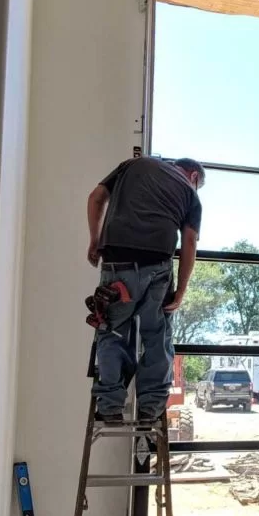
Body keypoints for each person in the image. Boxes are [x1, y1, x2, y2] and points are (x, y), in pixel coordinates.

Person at [85, 155, 204, 423]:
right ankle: (150, 408)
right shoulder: (190, 194)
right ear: (194, 176)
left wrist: (94, 240)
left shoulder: (132, 165)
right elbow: (189, 242)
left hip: (118, 262)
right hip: (157, 268)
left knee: (112, 332)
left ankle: (110, 406)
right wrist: (181, 291)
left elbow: (96, 197)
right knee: (157, 336)